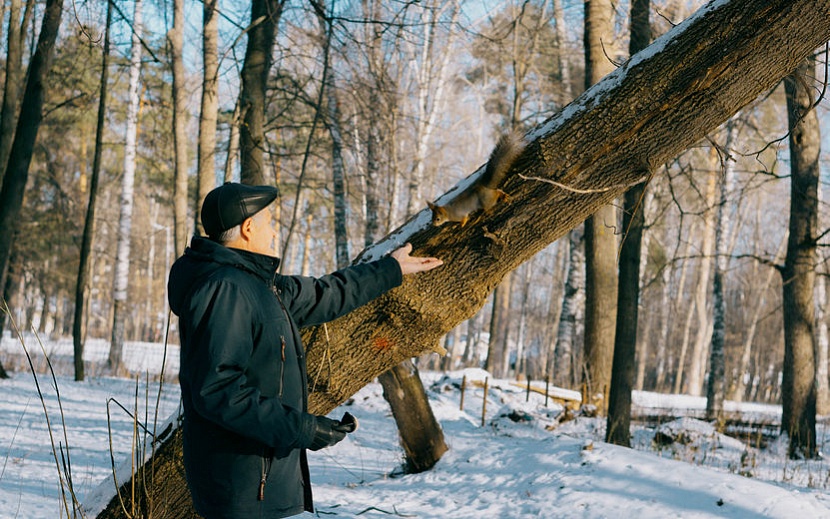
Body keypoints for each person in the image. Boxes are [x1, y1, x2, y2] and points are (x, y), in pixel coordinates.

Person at [167, 182, 442, 518]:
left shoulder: (257, 285)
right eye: (269, 223)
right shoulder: (226, 289)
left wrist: (390, 270)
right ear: (248, 228)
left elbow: (326, 293)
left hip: (261, 484)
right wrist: (302, 429)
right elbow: (218, 391)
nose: (272, 232)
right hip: (243, 489)